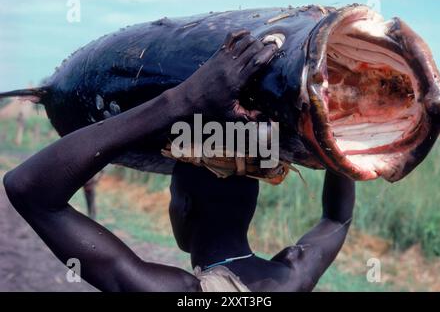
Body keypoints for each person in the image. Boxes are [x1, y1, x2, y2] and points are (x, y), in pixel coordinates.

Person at [3, 30, 355, 292]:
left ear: (184, 207)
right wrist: (333, 118)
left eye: (173, 195)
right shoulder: (292, 278)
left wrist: (185, 100)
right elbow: (336, 217)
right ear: (250, 204)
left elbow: (27, 188)